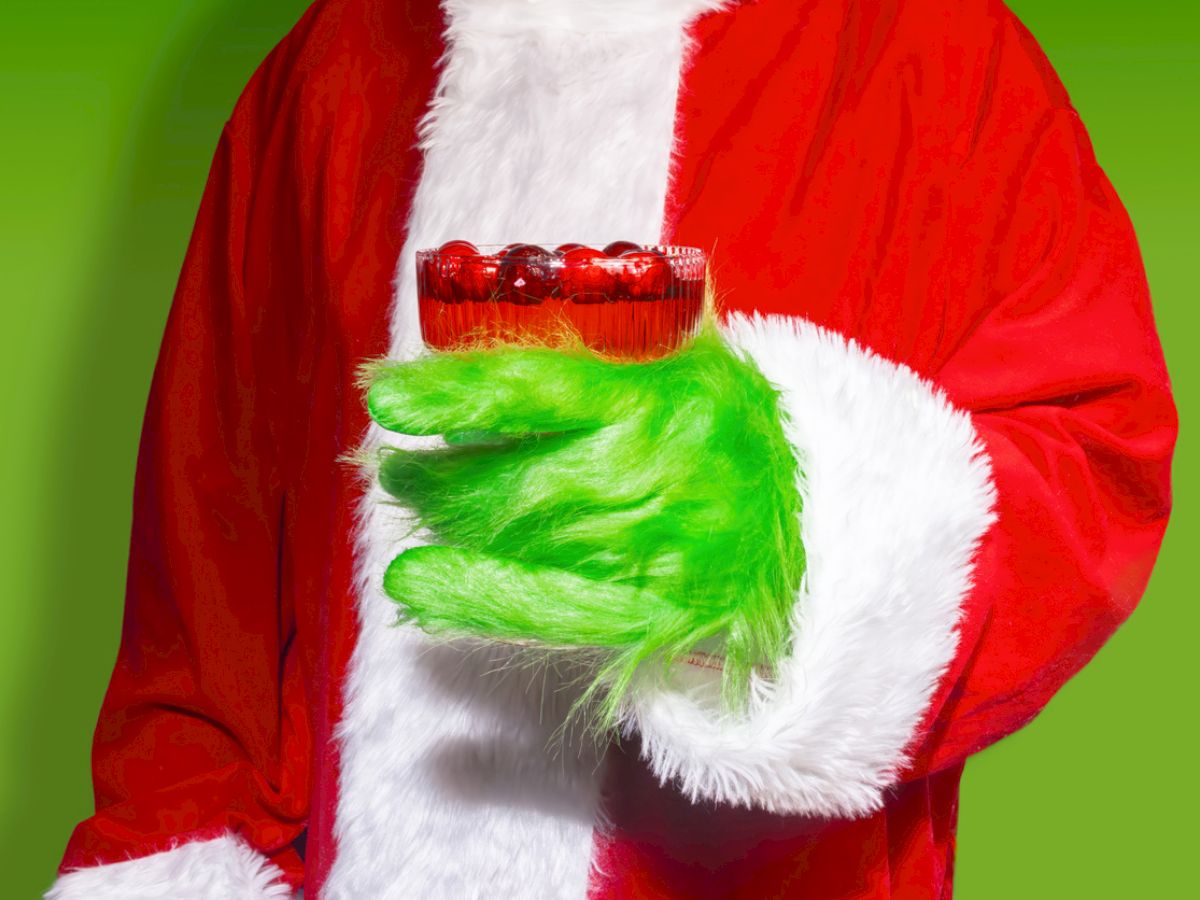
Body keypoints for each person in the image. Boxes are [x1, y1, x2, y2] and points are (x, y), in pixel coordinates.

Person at [46, 0, 1177, 897]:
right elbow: (206, 615)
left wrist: (797, 527)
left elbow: (1099, 455)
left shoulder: (933, 50)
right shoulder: (328, 68)